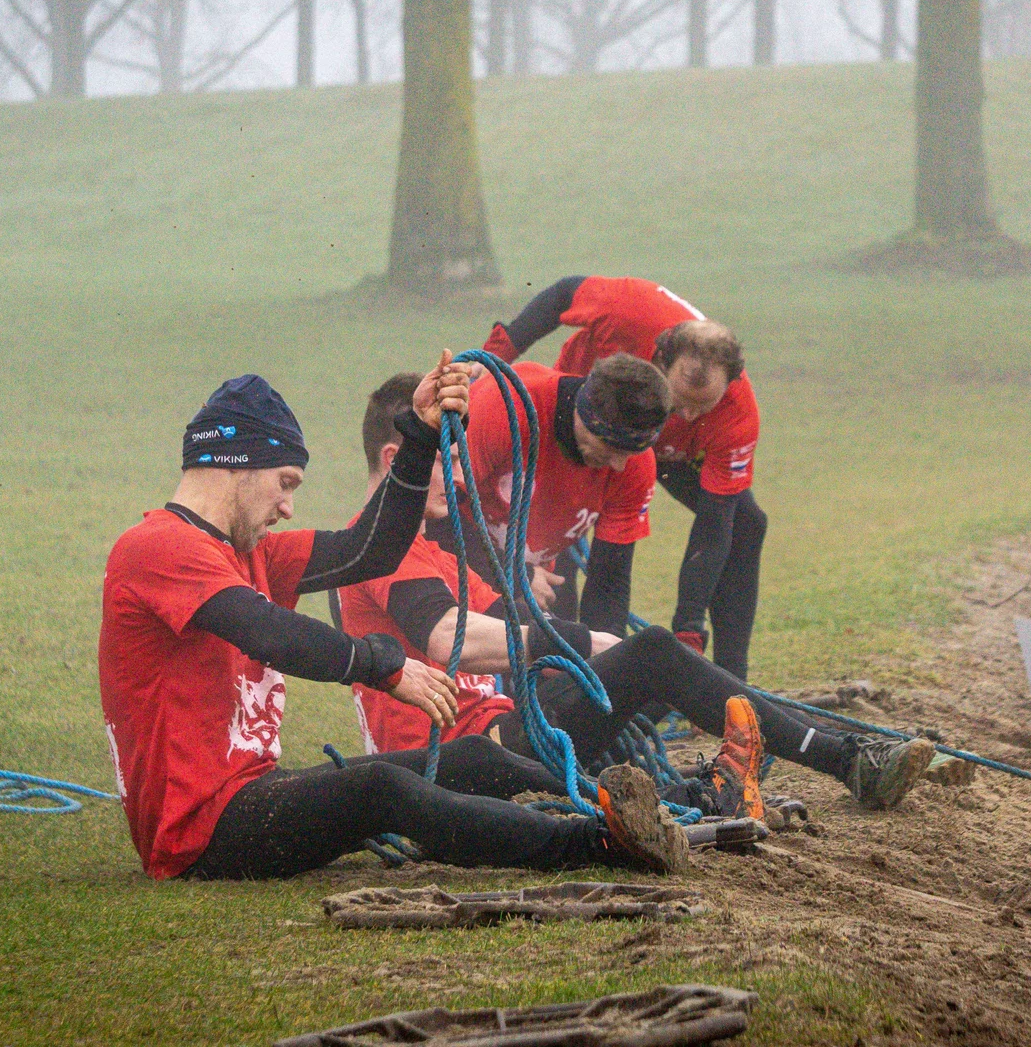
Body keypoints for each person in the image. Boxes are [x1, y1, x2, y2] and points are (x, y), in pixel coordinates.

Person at [97, 358, 688, 881]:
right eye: (285, 484)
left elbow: (367, 549)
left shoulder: (253, 553)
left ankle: (640, 810)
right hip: (198, 831)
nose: (288, 506)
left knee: (471, 759)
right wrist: (384, 666)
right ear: (237, 465)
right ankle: (592, 843)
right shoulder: (157, 547)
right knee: (380, 790)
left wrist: (420, 437)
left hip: (251, 792)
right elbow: (267, 632)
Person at [341, 374, 940, 815]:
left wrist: (599, 654)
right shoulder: (377, 546)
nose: (465, 475)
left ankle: (765, 771)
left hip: (499, 734)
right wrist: (598, 643)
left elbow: (515, 621)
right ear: (400, 457)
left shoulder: (436, 551)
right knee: (646, 653)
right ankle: (833, 760)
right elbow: (451, 638)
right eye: (449, 459)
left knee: (647, 663)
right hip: (454, 757)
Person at [484, 276, 764, 678]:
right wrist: (493, 356)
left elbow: (715, 523)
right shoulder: (630, 311)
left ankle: (732, 682)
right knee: (557, 539)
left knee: (746, 523)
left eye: (705, 409)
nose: (686, 418)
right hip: (577, 429)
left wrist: (688, 628)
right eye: (679, 404)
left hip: (656, 453)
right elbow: (563, 295)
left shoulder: (738, 412)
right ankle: (551, 675)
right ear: (658, 361)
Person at [451, 350, 668, 640]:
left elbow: (608, 583)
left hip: (523, 590)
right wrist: (518, 578)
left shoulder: (634, 465)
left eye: (631, 453)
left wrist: (607, 667)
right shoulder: (507, 405)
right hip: (451, 575)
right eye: (611, 448)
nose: (619, 465)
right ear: (585, 415)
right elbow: (437, 520)